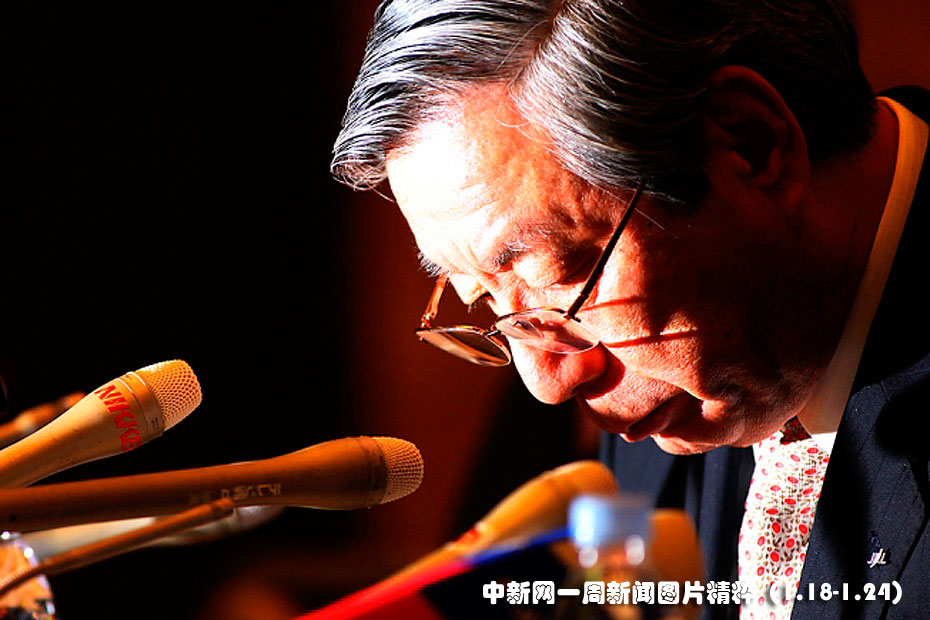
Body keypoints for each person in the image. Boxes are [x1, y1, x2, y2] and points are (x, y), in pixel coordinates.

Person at [330, 1, 929, 618]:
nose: (547, 384)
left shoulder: (695, 357)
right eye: (483, 300)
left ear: (750, 145)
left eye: (556, 280)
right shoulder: (677, 388)